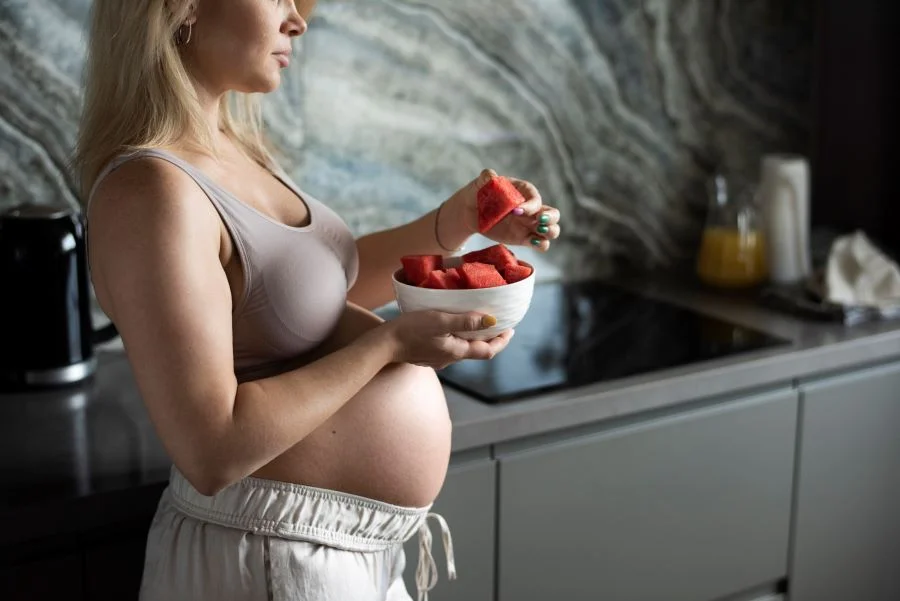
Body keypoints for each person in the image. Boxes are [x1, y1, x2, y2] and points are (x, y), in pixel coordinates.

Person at [73, 1, 562, 600]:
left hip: (333, 553)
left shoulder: (229, 147)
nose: (298, 21)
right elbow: (211, 448)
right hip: (266, 560)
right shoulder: (148, 191)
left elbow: (304, 306)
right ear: (184, 7)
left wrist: (455, 222)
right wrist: (389, 345)